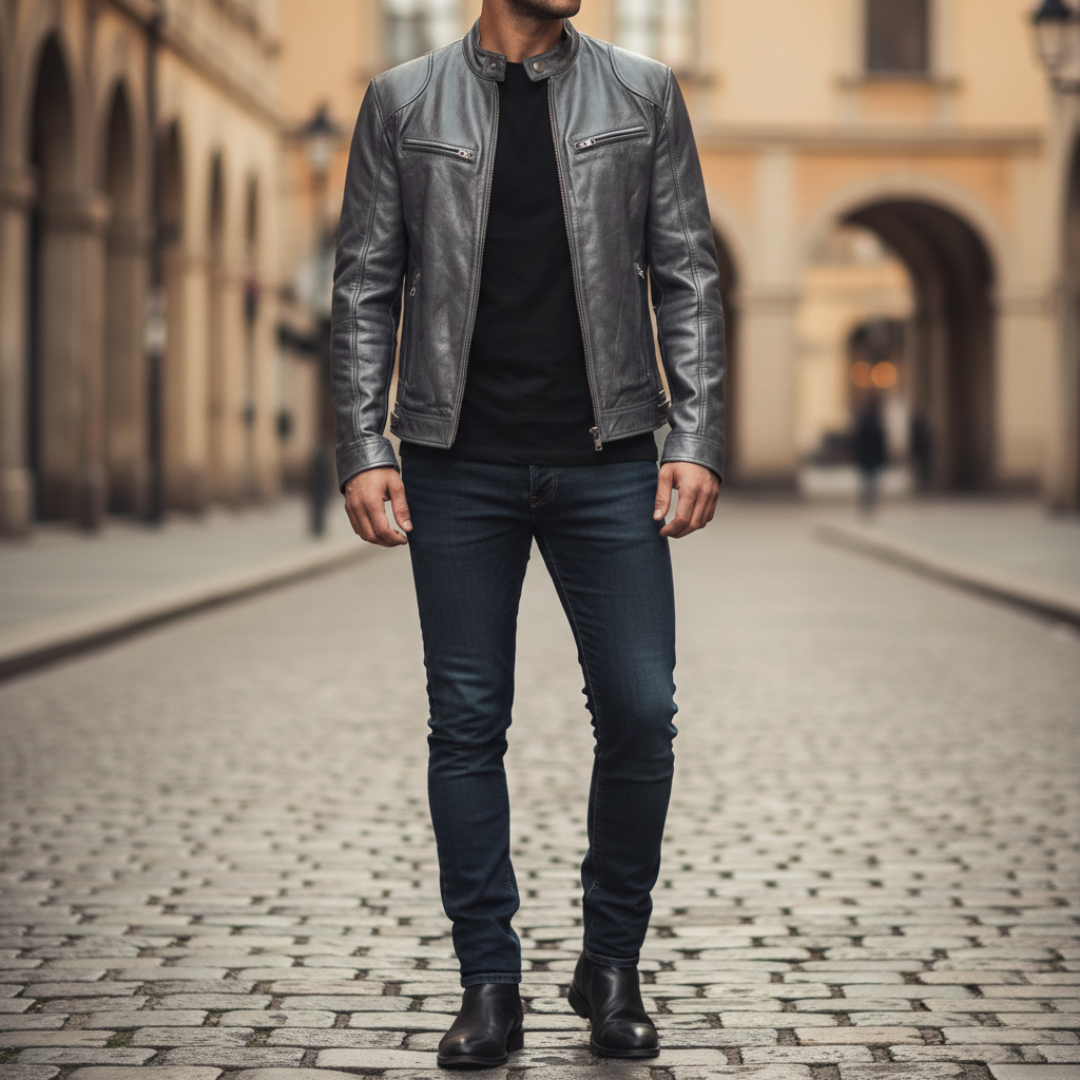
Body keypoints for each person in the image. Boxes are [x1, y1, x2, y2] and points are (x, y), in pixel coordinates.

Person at [331, 0, 725, 1068]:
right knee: (466, 722)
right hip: (458, 461)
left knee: (642, 713)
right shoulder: (402, 101)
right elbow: (365, 284)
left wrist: (694, 433)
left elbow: (688, 272)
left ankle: (612, 963)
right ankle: (488, 985)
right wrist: (362, 448)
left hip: (612, 457)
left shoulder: (643, 94)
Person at [852, 392, 888, 516]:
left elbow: (858, 440)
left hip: (866, 458)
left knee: (867, 483)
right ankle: (869, 504)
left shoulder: (865, 420)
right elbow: (880, 442)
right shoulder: (876, 422)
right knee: (871, 483)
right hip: (871, 458)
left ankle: (866, 504)